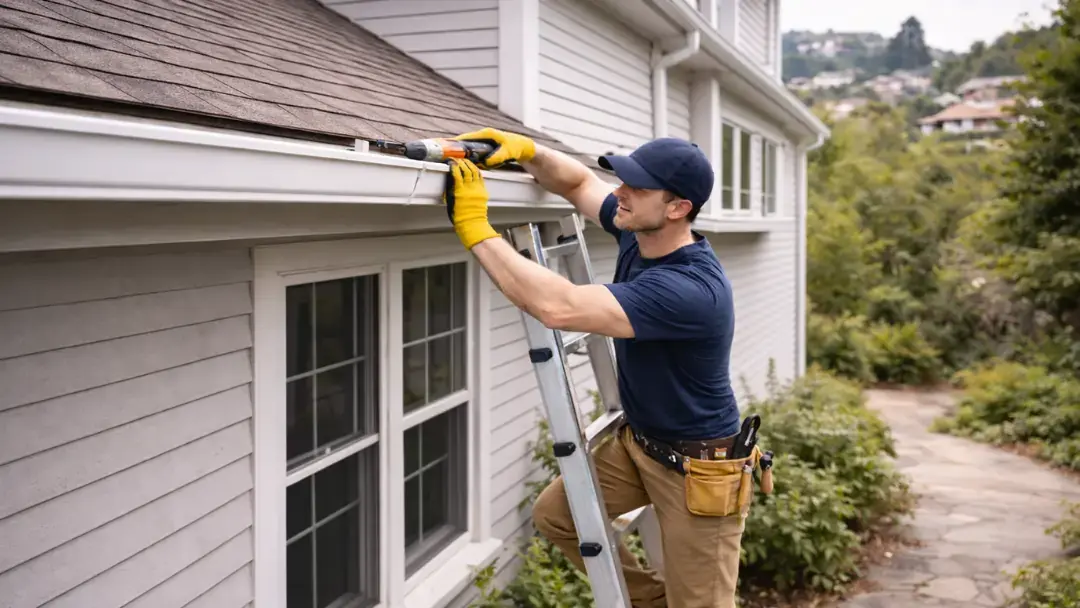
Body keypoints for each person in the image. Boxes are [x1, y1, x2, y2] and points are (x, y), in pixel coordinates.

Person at [441, 127, 751, 608]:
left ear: (677, 208)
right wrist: (527, 151)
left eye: (637, 187)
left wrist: (478, 231)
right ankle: (654, 601)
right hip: (641, 444)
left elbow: (557, 307)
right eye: (625, 180)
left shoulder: (690, 290)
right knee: (559, 516)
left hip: (698, 469)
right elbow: (579, 185)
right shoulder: (640, 234)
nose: (620, 193)